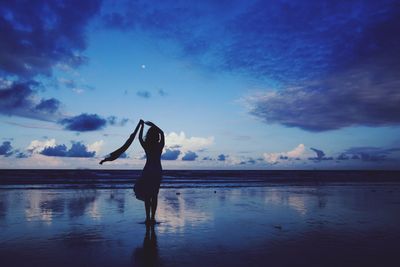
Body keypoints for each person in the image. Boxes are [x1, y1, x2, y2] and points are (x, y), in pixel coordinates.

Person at [134, 120, 165, 225]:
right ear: (157, 136)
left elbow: (139, 138)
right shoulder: (160, 146)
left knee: (147, 195)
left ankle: (148, 218)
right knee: (154, 195)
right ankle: (152, 218)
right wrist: (154, 125)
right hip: (157, 171)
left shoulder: (147, 146)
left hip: (148, 171)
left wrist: (142, 126)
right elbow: (162, 133)